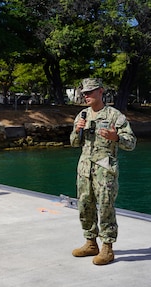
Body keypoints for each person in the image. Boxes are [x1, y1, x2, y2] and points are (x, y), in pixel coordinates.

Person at [70, 78, 136, 265]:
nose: (86, 96)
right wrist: (77, 130)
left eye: (90, 92)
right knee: (84, 205)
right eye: (84, 93)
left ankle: (107, 247)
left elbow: (131, 143)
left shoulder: (115, 116)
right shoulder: (82, 115)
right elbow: (74, 143)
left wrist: (116, 137)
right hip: (84, 168)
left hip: (104, 168)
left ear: (101, 92)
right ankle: (90, 242)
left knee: (106, 206)